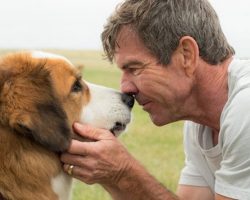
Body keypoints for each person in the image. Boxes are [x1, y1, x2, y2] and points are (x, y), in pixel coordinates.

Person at [60, 0, 250, 199]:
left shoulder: (245, 108)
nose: (125, 88)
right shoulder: (200, 126)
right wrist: (111, 174)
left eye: (134, 69)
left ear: (186, 55)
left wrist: (122, 173)